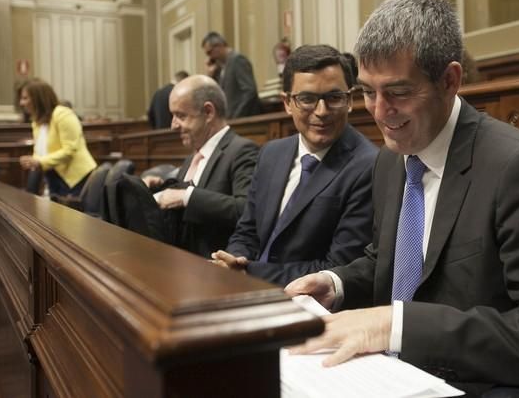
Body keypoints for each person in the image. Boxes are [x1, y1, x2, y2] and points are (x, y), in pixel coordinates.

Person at [285, 0, 519, 394]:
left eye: (398, 92)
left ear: (450, 80)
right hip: (385, 378)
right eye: (367, 92)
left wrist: (394, 325)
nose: (380, 112)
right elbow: (392, 261)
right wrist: (337, 282)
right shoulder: (388, 161)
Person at [211, 45, 377, 286]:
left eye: (334, 98)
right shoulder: (271, 153)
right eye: (307, 99)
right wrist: (233, 261)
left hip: (310, 303)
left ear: (349, 100)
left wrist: (250, 273)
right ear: (287, 102)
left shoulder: (368, 165)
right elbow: (247, 231)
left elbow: (337, 266)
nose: (321, 112)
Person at [144, 75, 259, 258]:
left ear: (208, 112)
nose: (173, 126)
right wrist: (158, 188)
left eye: (180, 116)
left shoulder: (242, 150)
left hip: (214, 265)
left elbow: (245, 209)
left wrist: (186, 197)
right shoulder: (192, 157)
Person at [18, 78, 96, 197]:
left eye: (25, 98)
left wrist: (39, 161)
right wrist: (31, 161)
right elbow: (39, 152)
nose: (21, 103)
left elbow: (69, 150)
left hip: (77, 179)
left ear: (38, 98)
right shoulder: (37, 122)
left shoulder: (63, 114)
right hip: (54, 177)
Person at [201, 31, 262, 118]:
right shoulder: (220, 68)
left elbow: (250, 91)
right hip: (230, 118)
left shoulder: (238, 60)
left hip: (243, 119)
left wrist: (237, 116)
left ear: (218, 46)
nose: (209, 57)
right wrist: (210, 76)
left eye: (209, 53)